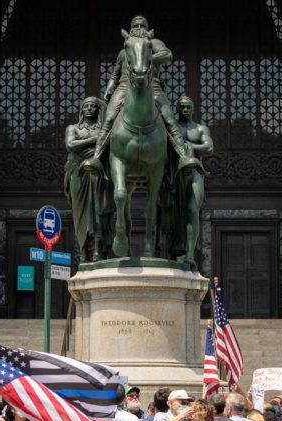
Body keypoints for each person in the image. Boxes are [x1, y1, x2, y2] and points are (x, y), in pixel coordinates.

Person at [83, 15, 198, 177]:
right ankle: (96, 158)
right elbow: (116, 73)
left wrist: (145, 56)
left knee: (170, 120)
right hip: (124, 86)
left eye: (141, 25)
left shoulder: (154, 43)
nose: (138, 28)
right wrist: (110, 85)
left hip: (153, 87)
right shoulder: (125, 50)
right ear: (130, 29)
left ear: (147, 27)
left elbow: (167, 55)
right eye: (135, 25)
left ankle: (183, 157)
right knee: (108, 119)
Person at [166, 95, 213, 265]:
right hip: (175, 173)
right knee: (173, 214)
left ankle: (190, 254)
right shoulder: (172, 128)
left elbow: (208, 147)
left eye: (188, 107)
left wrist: (188, 146)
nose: (185, 110)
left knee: (193, 209)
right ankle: (173, 250)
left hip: (195, 171)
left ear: (193, 109)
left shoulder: (200, 129)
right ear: (176, 109)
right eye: (182, 107)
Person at [64, 96, 112, 262]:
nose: (90, 108)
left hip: (97, 172)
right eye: (87, 106)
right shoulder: (73, 129)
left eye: (93, 106)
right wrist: (95, 139)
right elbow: (70, 145)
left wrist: (103, 103)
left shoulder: (103, 129)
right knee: (81, 213)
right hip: (77, 172)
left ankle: (98, 249)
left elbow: (109, 139)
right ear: (82, 110)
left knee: (98, 209)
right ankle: (84, 250)